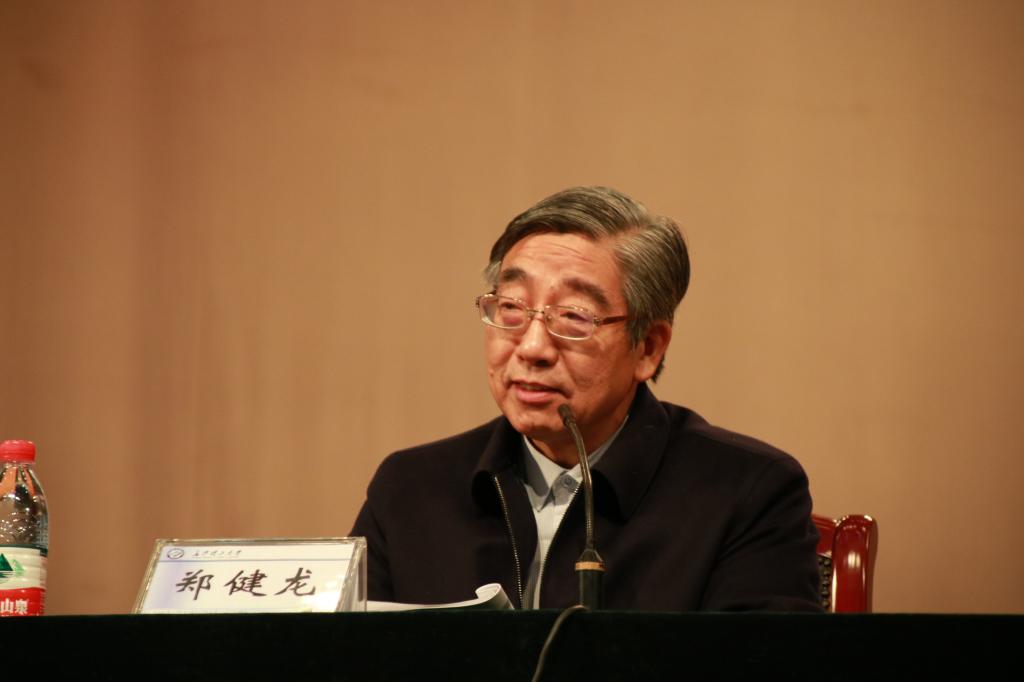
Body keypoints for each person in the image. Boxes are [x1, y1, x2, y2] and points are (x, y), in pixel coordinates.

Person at [351, 186, 821, 611]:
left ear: (648, 348)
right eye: (511, 307)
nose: (532, 347)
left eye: (574, 317)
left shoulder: (746, 492)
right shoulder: (409, 489)